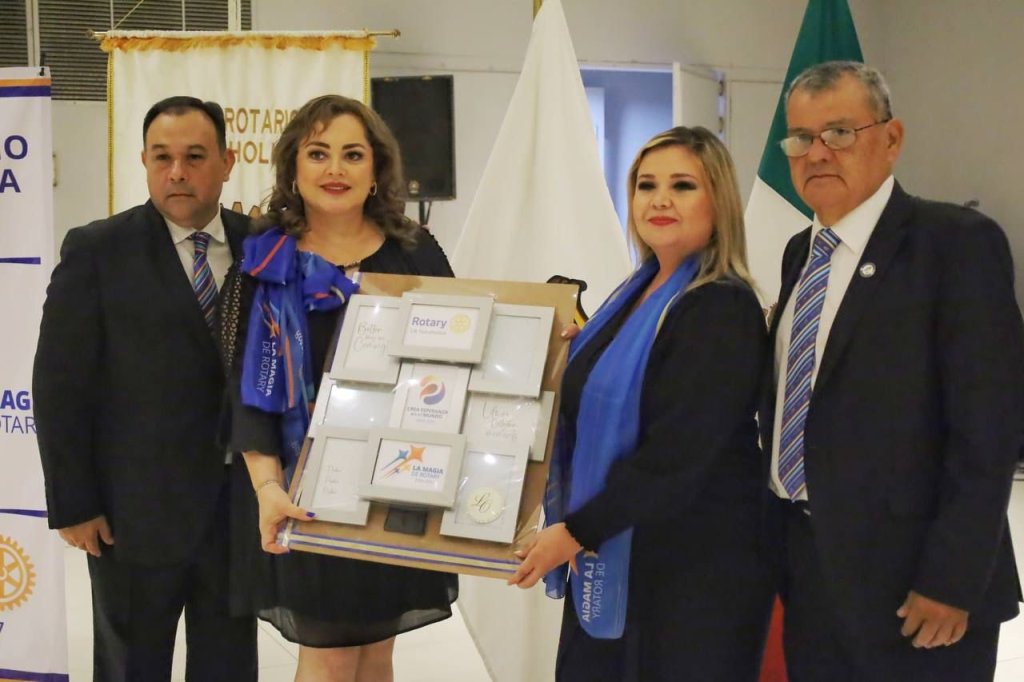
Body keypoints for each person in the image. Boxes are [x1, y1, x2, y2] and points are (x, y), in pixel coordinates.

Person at [762, 60, 1024, 681]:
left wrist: (952, 578)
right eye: (800, 138)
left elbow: (989, 431)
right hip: (811, 572)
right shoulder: (801, 252)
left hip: (918, 591)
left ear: (891, 138)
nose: (816, 153)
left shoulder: (956, 244)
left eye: (839, 132)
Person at [509, 126, 775, 681]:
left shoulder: (719, 307)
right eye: (646, 185)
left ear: (719, 202)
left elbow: (677, 454)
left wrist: (575, 531)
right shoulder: (635, 294)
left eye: (682, 186)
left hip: (691, 570)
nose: (659, 200)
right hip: (620, 544)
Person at [220, 94, 457, 682]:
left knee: (376, 653)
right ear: (293, 169)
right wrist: (267, 487)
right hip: (303, 487)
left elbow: (460, 357)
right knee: (327, 657)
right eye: (318, 153)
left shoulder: (415, 252)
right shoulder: (263, 260)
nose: (335, 169)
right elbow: (245, 387)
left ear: (376, 170)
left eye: (352, 154)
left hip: (399, 481)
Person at [33, 96, 257, 680]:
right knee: (131, 666)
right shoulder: (97, 250)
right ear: (144, 162)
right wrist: (75, 504)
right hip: (132, 517)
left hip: (239, 513)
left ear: (227, 162)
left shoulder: (264, 246)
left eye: (195, 156)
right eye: (162, 157)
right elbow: (60, 385)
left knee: (229, 666)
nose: (177, 172)